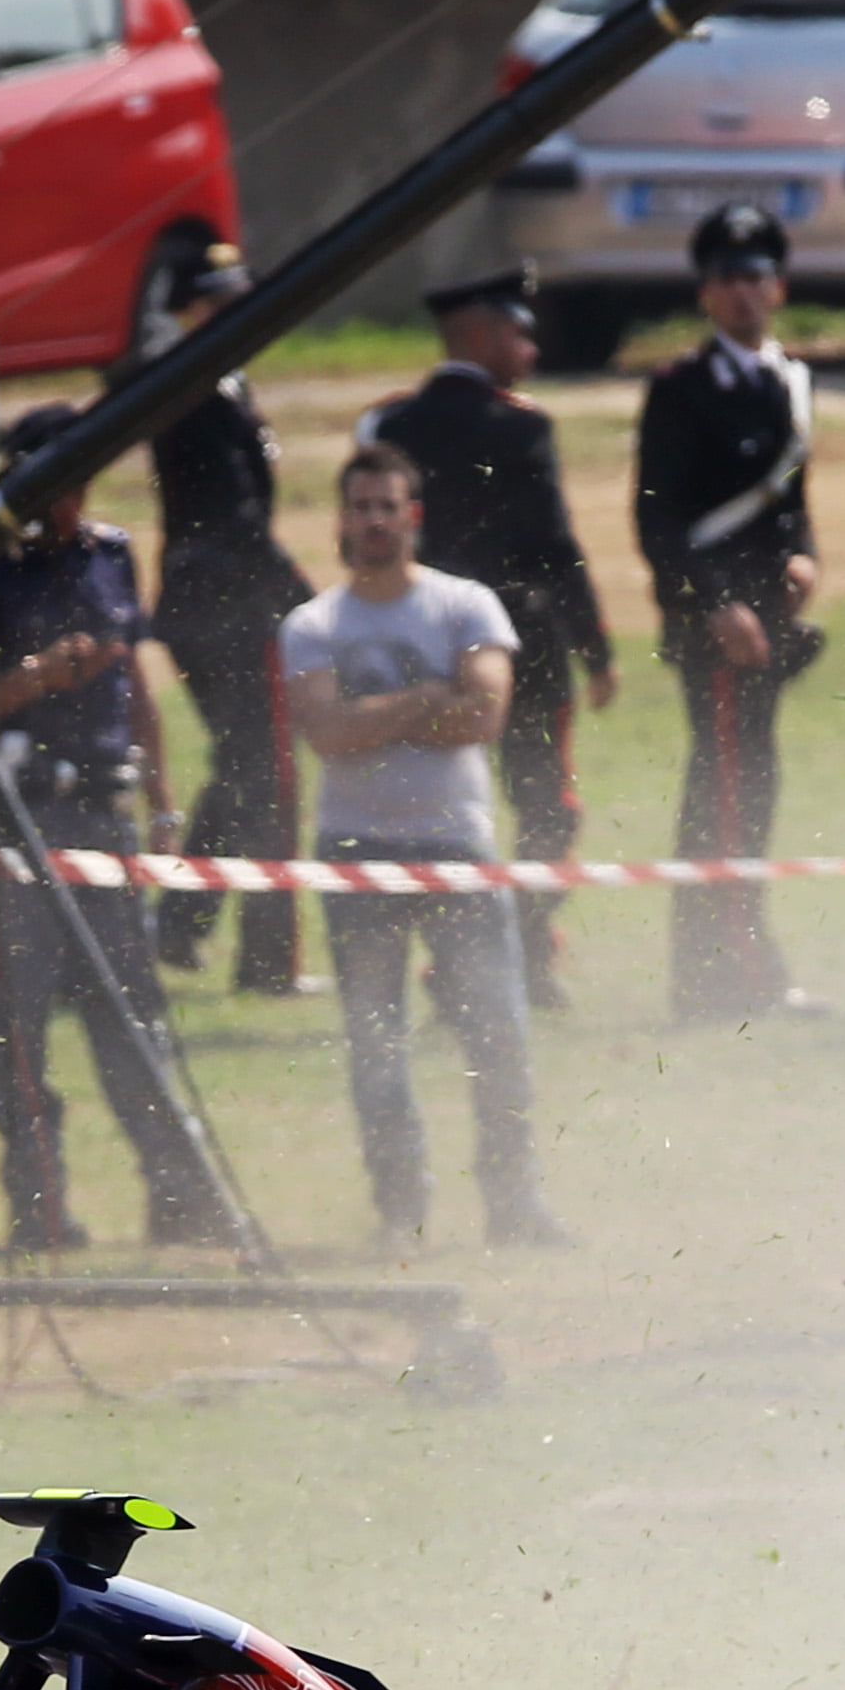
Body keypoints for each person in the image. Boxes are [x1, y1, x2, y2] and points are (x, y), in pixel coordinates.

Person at [0, 402, 235, 1253]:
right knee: (20, 1027)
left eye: (77, 484)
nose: (65, 505)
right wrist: (36, 678)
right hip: (24, 810)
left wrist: (162, 800)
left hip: (105, 815)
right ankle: (39, 1206)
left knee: (131, 1019)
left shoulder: (110, 553)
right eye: (52, 485)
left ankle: (179, 1195)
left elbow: (131, 688)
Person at [283, 442, 560, 1253]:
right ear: (341, 519)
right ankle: (400, 1214)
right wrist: (425, 699)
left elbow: (484, 717)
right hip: (354, 849)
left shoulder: (466, 606)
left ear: (413, 516)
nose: (372, 521)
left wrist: (379, 714)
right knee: (377, 1046)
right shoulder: (311, 625)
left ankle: (515, 1207)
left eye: (386, 505)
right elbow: (327, 735)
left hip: (456, 849)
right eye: (358, 506)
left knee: (497, 1035)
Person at [364, 263, 614, 1006]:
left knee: (444, 811)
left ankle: (452, 969)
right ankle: (531, 954)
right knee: (544, 805)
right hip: (525, 650)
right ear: (479, 332)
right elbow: (555, 546)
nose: (530, 349)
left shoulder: (391, 423)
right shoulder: (522, 424)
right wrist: (594, 647)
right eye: (518, 331)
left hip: (422, 649)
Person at [632, 203, 826, 1026]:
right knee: (723, 794)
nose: (744, 292)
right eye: (726, 278)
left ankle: (734, 968)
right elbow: (658, 521)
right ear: (706, 294)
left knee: (751, 790)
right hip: (715, 629)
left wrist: (804, 553)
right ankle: (727, 978)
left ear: (777, 286)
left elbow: (790, 502)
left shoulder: (787, 381)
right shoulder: (681, 389)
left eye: (756, 276)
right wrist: (715, 605)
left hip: (771, 622)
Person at [140, 242, 313, 998]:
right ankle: (268, 962)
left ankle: (181, 921)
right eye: (221, 301)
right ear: (191, 313)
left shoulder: (220, 387)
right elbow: (235, 524)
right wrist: (310, 602)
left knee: (244, 772)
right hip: (228, 612)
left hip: (219, 609)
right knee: (266, 777)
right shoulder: (195, 394)